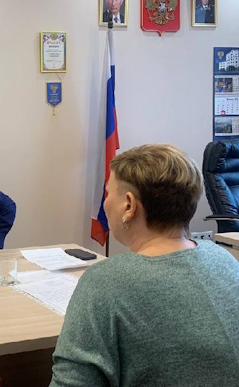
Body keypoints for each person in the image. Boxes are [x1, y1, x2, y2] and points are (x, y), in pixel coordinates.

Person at [50, 144, 239, 386]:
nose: (105, 203)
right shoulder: (224, 259)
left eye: (108, 193)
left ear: (129, 205)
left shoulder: (106, 281)